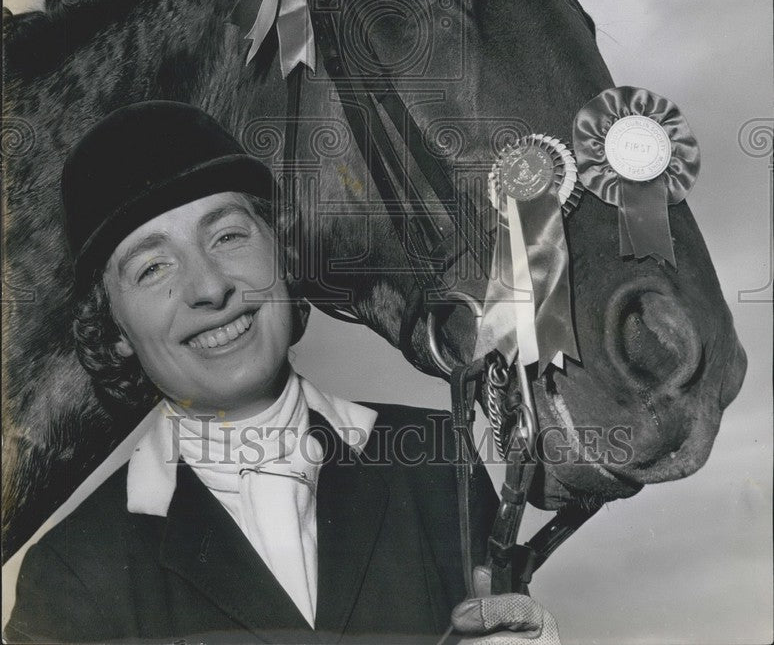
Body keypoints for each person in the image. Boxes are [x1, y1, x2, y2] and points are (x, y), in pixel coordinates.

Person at [5, 101, 560, 644]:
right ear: (115, 329)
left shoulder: (442, 464)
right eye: (153, 268)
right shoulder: (68, 577)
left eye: (227, 235)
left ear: (282, 252)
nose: (209, 287)